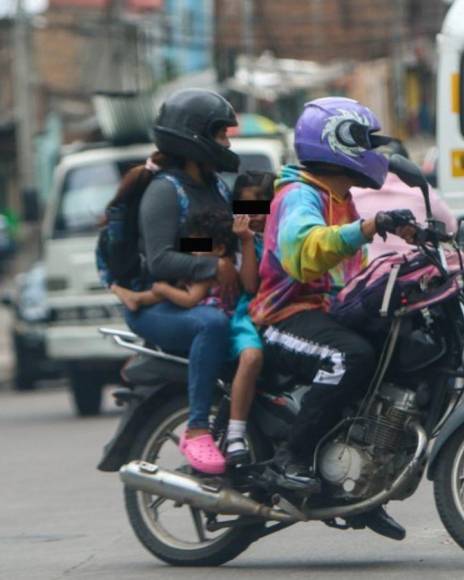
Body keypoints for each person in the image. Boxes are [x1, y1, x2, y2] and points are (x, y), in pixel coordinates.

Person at [250, 97, 416, 540]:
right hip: (282, 317)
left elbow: (353, 272)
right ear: (336, 142)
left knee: (390, 349)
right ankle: (291, 459)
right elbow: (305, 252)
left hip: (323, 313)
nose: (374, 151)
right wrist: (366, 228)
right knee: (348, 358)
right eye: (365, 141)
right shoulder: (299, 194)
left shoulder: (340, 199)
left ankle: (357, 487)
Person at [111, 88, 242, 475]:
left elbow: (221, 235)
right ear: (192, 137)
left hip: (206, 296)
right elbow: (160, 257)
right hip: (158, 304)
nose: (226, 143)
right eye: (219, 134)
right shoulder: (164, 191)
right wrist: (213, 266)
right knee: (212, 326)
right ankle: (198, 428)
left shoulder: (216, 185)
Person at [223, 171, 274, 465]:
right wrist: (243, 242)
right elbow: (251, 285)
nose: (252, 217)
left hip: (283, 309)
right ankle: (235, 434)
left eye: (259, 208)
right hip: (250, 313)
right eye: (244, 209)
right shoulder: (239, 240)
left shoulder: (286, 232)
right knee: (252, 357)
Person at [350, 139, 457, 262]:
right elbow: (451, 227)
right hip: (415, 273)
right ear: (407, 164)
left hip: (364, 275)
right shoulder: (420, 188)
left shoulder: (354, 190)